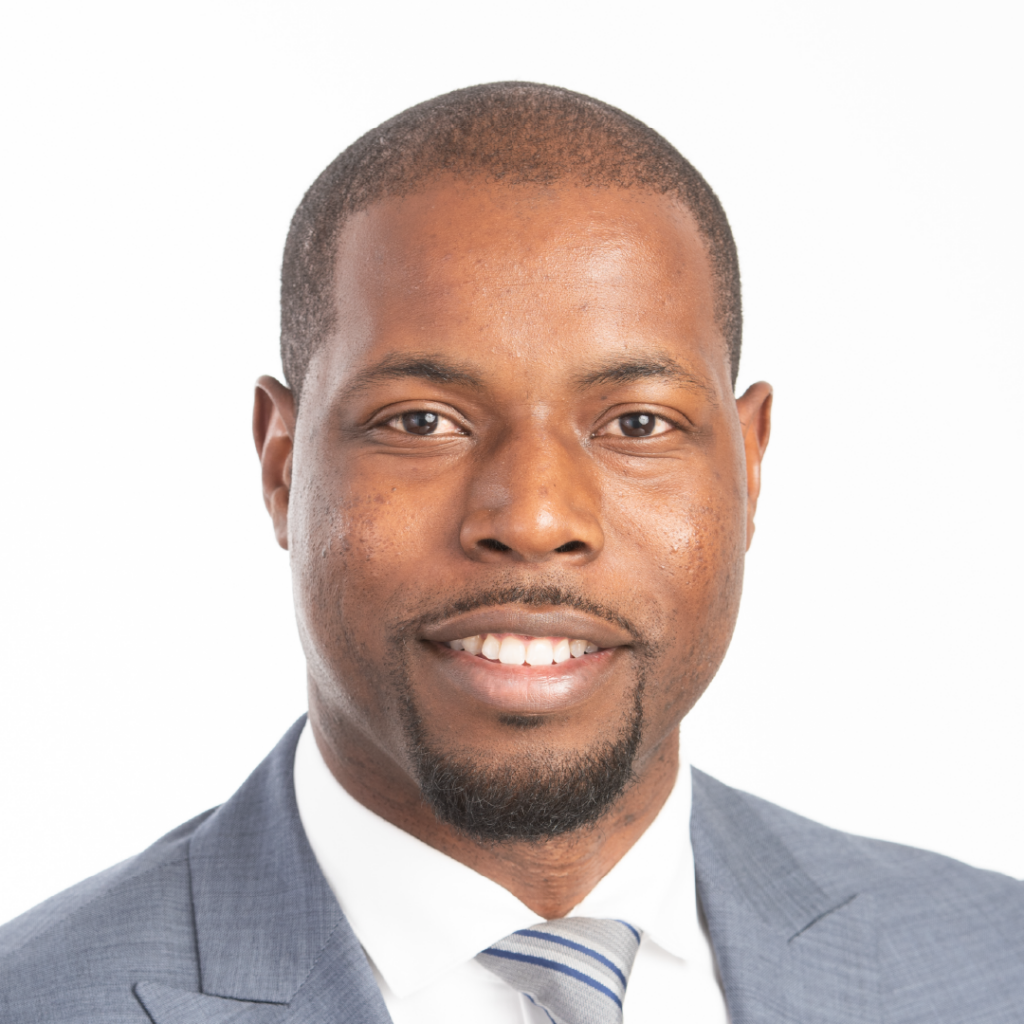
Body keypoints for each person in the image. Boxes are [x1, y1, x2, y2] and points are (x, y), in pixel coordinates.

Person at [2, 81, 1021, 1024]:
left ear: (748, 465)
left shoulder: (994, 966)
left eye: (635, 424)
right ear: (281, 463)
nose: (533, 518)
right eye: (421, 421)